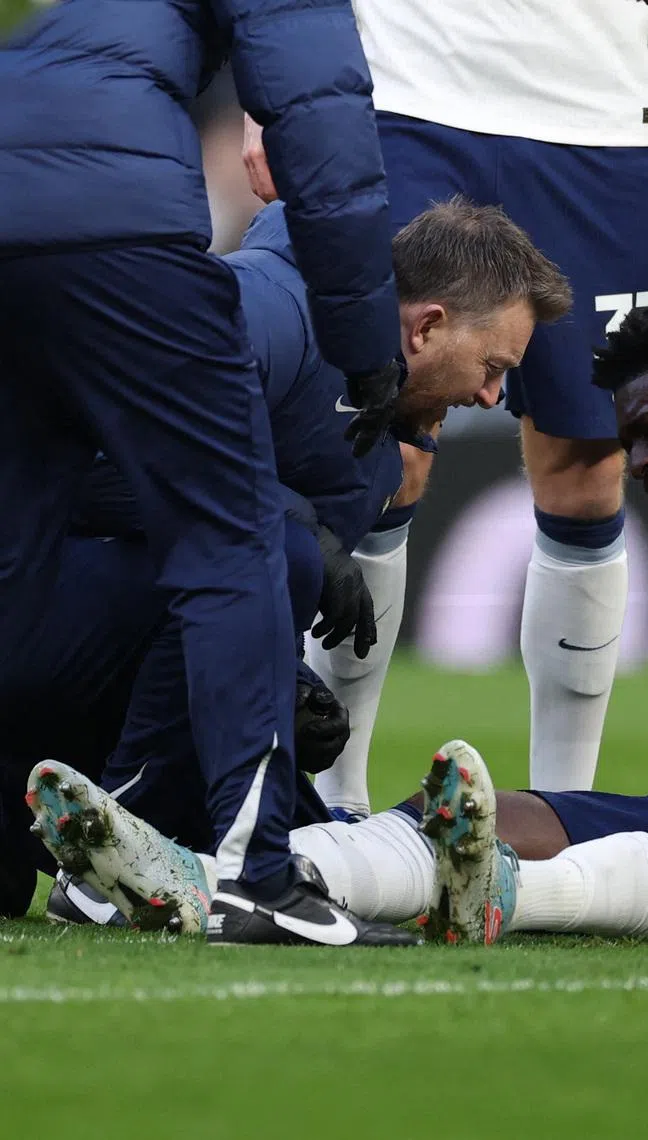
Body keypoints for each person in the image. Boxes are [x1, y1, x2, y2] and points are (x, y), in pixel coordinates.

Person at [29, 292, 648, 952]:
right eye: (628, 440)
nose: (640, 460)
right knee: (505, 815)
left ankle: (515, 901)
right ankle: (200, 875)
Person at [8, 201, 572, 937]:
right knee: (281, 555)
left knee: (291, 834)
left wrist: (289, 681)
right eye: (493, 367)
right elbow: (95, 467)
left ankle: (432, 872)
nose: (492, 398)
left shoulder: (376, 448)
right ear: (427, 326)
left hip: (91, 657)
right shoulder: (270, 311)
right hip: (33, 607)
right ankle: (112, 852)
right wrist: (286, 523)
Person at [0, 0, 406, 944]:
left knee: (15, 554)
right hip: (115, 216)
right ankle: (254, 875)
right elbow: (322, 119)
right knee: (238, 545)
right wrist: (363, 340)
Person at [242, 0, 648, 806]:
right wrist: (271, 97)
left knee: (588, 467)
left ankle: (561, 812)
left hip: (596, 115)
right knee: (380, 433)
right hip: (405, 91)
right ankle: (337, 800)